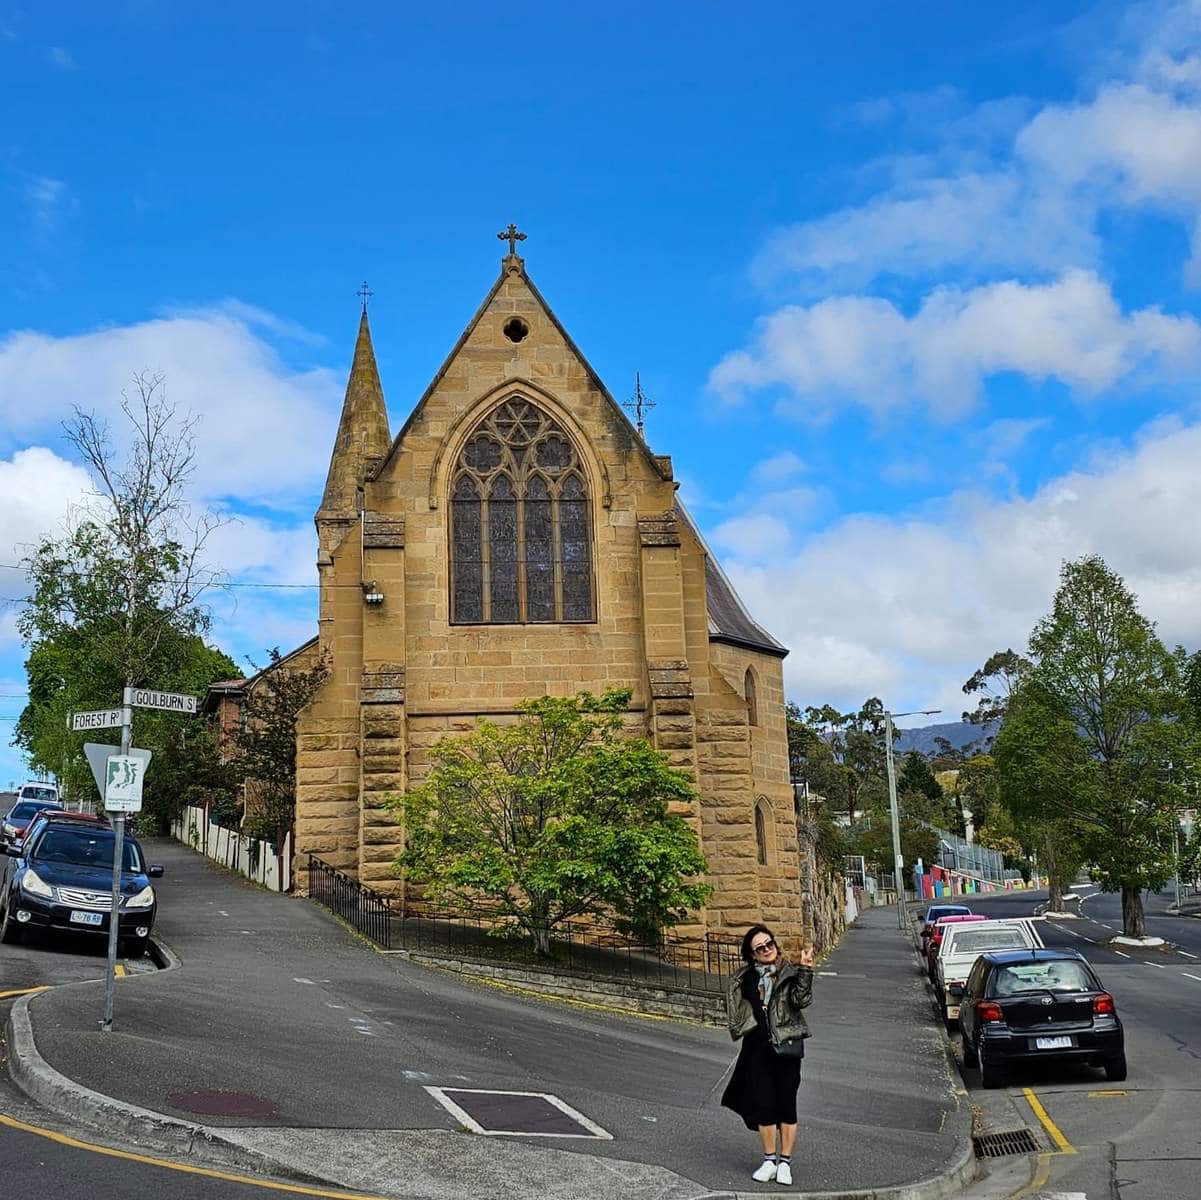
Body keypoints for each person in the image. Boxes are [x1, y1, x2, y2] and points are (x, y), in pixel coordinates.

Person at [722, 924, 815, 1186]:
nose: (766, 950)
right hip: (756, 1050)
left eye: (769, 944)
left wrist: (806, 969)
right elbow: (736, 1006)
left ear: (775, 944)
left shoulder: (789, 972)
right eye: (759, 948)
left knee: (787, 1105)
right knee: (764, 1106)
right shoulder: (745, 977)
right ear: (752, 954)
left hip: (786, 1049)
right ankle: (768, 1160)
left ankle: (785, 1163)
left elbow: (801, 1001)